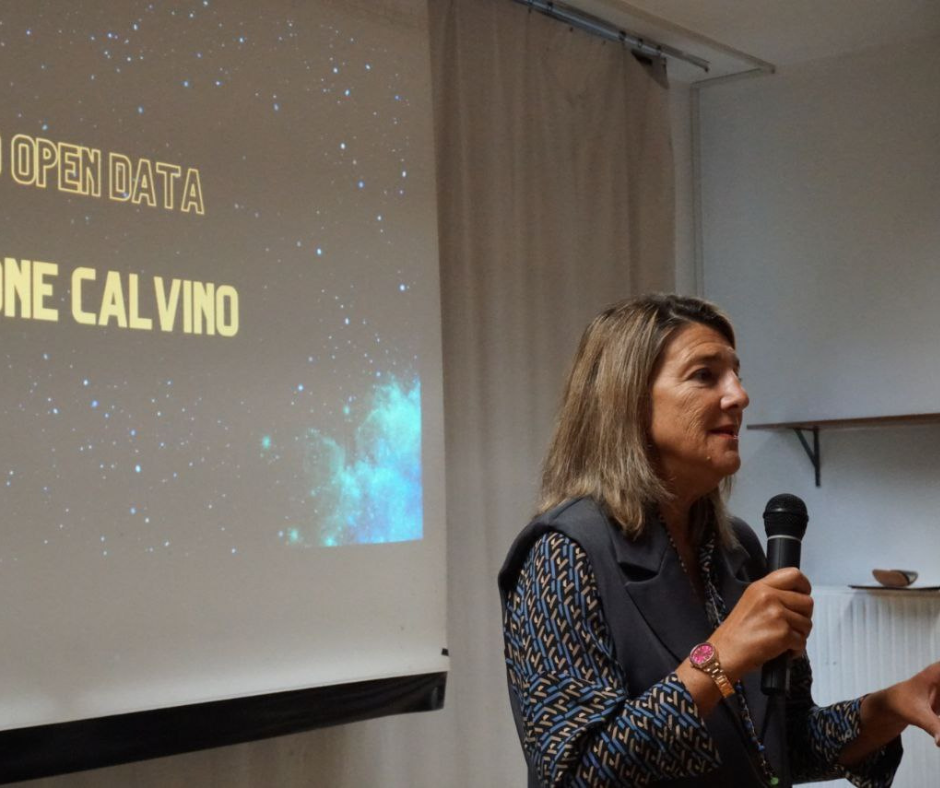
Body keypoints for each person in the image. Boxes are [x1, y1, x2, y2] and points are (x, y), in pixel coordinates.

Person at [498, 294, 940, 787]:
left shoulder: (739, 549)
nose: (739, 396)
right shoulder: (563, 553)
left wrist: (891, 706)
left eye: (736, 375)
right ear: (629, 402)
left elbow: (781, 749)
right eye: (705, 375)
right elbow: (574, 775)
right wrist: (718, 659)